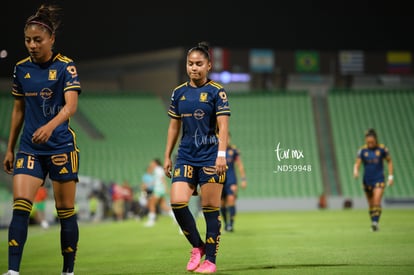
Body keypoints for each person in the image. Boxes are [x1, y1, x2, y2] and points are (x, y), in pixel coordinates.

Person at [2, 4, 81, 275]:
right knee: (21, 206)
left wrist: (50, 126)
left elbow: (70, 107)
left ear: (51, 40)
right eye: (27, 40)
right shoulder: (20, 69)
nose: (32, 45)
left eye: (38, 40)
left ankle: (67, 270)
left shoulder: (65, 67)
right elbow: (18, 110)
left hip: (60, 146)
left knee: (65, 210)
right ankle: (13, 271)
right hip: (30, 148)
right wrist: (10, 148)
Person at [163, 41, 231, 274]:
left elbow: (223, 127)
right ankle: (198, 247)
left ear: (208, 65)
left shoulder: (217, 92)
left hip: (211, 156)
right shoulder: (178, 92)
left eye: (199, 64)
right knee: (177, 202)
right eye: (190, 64)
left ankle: (210, 261)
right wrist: (167, 155)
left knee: (211, 208)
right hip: (186, 155)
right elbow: (174, 127)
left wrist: (221, 156)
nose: (194, 68)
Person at [353, 128, 393, 232]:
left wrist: (390, 176)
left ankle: (375, 222)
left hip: (379, 179)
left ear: (376, 140)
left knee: (376, 201)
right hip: (367, 180)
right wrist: (356, 171)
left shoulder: (382, 149)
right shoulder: (362, 150)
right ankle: (374, 222)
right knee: (371, 204)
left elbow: (389, 161)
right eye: (368, 142)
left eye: (372, 142)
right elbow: (357, 163)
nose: (370, 143)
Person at [220, 133, 247, 232]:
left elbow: (240, 165)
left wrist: (243, 179)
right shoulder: (216, 151)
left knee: (231, 199)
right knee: (222, 203)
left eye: (227, 138)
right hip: (219, 180)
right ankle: (226, 223)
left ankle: (231, 224)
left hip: (231, 180)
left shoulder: (233, 151)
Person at [144, 158, 175, 227]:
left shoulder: (157, 169)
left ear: (155, 163)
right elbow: (158, 179)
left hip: (158, 189)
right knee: (163, 206)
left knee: (151, 204)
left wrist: (166, 187)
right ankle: (175, 217)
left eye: (152, 162)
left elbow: (162, 179)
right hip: (160, 189)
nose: (151, 164)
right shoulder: (159, 169)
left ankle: (151, 221)